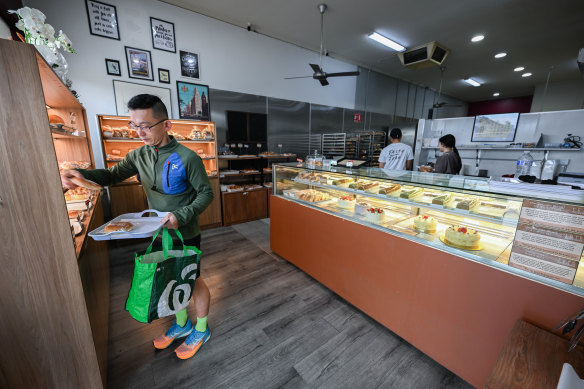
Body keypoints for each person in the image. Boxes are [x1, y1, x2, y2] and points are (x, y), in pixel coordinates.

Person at [61, 94, 214, 360]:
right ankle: (181, 324)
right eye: (134, 125)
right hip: (157, 230)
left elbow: (205, 194)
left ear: (166, 125)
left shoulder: (188, 157)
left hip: (185, 231)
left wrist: (182, 214)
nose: (139, 132)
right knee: (169, 277)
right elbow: (110, 176)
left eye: (145, 125)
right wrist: (81, 174)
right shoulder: (138, 155)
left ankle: (201, 328)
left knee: (191, 278)